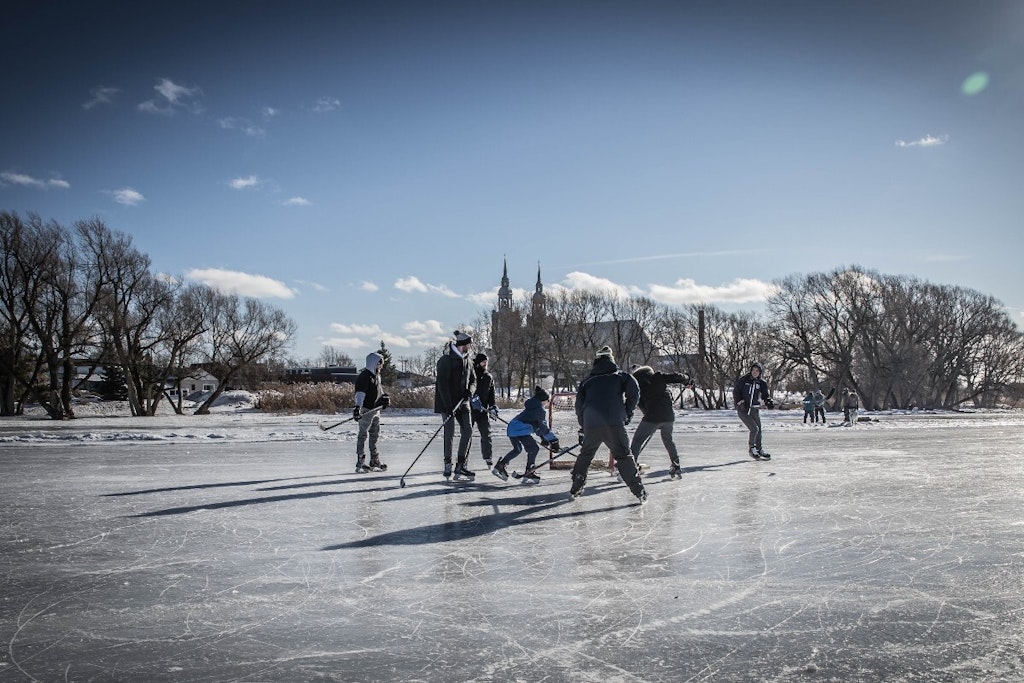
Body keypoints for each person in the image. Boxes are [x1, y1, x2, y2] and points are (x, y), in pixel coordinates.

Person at [569, 346, 646, 504]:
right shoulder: (620, 376)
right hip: (613, 423)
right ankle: (638, 490)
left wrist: (584, 426)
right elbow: (635, 391)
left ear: (596, 361)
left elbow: (579, 406)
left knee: (586, 454)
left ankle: (576, 485)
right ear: (611, 359)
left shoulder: (587, 381)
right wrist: (627, 412)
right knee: (624, 455)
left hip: (591, 424)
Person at [629, 365, 692, 479]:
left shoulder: (638, 387)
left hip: (652, 417)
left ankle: (629, 468)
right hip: (668, 416)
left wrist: (651, 419)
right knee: (668, 440)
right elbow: (676, 376)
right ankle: (676, 465)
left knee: (637, 441)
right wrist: (686, 379)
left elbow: (642, 406)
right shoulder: (658, 377)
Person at [492, 386, 558, 484]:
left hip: (512, 427)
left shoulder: (532, 406)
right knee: (534, 448)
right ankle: (529, 471)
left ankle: (501, 465)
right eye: (547, 401)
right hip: (520, 429)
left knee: (517, 449)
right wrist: (554, 440)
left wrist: (543, 438)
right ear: (543, 400)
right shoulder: (540, 410)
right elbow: (543, 427)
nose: (547, 403)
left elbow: (536, 426)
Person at [434, 330, 477, 480]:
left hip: (463, 402)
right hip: (448, 403)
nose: (470, 347)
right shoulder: (446, 360)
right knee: (450, 431)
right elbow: (442, 384)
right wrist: (448, 406)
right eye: (469, 344)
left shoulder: (468, 361)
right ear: (462, 345)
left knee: (468, 430)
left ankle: (461, 464)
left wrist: (469, 392)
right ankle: (447, 463)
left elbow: (473, 380)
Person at [352, 352, 390, 473]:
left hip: (375, 410)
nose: (381, 366)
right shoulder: (365, 376)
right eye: (380, 363)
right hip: (366, 410)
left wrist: (384, 398)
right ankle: (361, 460)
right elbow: (360, 393)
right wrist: (358, 407)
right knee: (363, 434)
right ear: (374, 363)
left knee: (375, 435)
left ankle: (374, 459)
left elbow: (380, 390)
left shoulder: (377, 376)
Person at [732, 361, 775, 460]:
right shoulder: (744, 380)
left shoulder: (761, 383)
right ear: (750, 371)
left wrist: (768, 401)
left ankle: (759, 449)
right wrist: (739, 402)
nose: (755, 372)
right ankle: (752, 448)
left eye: (757, 371)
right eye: (753, 370)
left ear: (760, 372)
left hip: (754, 409)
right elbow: (736, 392)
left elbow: (765, 395)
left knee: (759, 430)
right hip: (743, 410)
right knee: (754, 429)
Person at [471, 352, 500, 467]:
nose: (485, 364)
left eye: (486, 362)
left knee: (486, 434)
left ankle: (488, 457)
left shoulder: (488, 377)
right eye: (483, 362)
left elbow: (491, 395)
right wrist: (471, 399)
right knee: (467, 434)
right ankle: (463, 460)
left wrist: (493, 407)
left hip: (483, 410)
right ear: (478, 363)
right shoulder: (472, 374)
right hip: (471, 409)